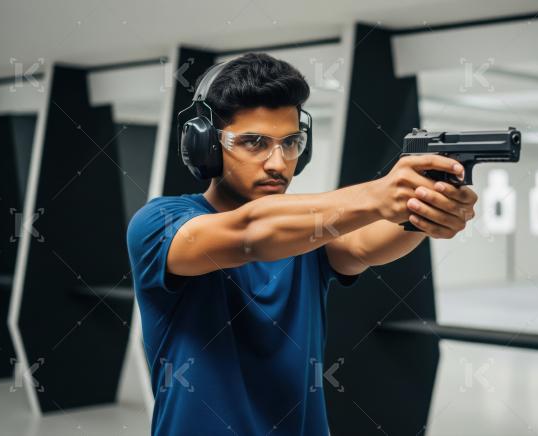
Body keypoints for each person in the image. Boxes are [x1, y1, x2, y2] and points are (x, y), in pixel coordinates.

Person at [126, 52, 478, 435]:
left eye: (290, 142)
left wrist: (424, 210)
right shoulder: (159, 223)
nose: (278, 163)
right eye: (254, 143)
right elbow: (250, 234)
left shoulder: (309, 232)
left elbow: (364, 244)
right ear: (206, 145)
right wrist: (379, 196)